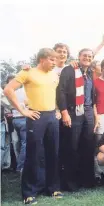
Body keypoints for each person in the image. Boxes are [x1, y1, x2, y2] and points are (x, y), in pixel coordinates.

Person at [4, 48, 63, 204]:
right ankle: (29, 193)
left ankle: (53, 188)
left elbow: (53, 94)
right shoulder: (27, 72)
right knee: (34, 154)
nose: (54, 63)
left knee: (53, 153)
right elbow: (8, 89)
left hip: (52, 116)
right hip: (36, 116)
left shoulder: (54, 75)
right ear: (42, 59)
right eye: (51, 60)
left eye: (55, 60)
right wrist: (23, 110)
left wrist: (57, 109)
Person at [57, 48, 97, 191]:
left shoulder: (91, 73)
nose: (87, 57)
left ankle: (86, 181)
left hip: (88, 112)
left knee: (87, 146)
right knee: (72, 147)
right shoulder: (69, 70)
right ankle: (70, 183)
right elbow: (61, 91)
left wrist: (94, 115)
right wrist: (64, 112)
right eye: (84, 55)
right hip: (73, 112)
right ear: (79, 57)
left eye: (90, 56)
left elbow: (92, 97)